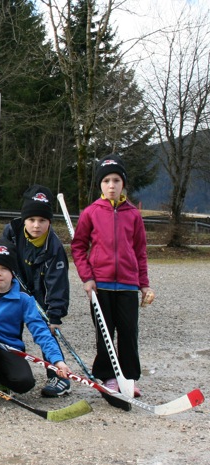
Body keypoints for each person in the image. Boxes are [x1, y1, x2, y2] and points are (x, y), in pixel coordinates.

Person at [71, 155, 154, 398]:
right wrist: (87, 277)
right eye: (106, 181)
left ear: (123, 183)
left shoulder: (133, 214)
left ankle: (128, 378)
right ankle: (109, 377)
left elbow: (140, 251)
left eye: (116, 180)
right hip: (101, 285)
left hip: (127, 285)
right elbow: (78, 247)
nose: (111, 185)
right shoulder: (91, 212)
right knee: (105, 333)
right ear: (100, 184)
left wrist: (144, 284)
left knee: (128, 332)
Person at [0, 240, 71, 408]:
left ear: (13, 273)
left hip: (9, 348)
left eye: (4, 269)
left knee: (24, 383)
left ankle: (3, 379)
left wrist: (57, 361)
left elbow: (41, 331)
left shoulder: (24, 300)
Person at [2, 185, 71, 398]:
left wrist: (55, 315)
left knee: (46, 332)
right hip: (14, 291)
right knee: (5, 328)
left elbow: (58, 285)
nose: (36, 225)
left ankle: (59, 376)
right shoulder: (12, 232)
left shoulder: (54, 247)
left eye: (42, 220)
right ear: (24, 219)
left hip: (39, 294)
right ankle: (3, 371)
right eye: (31, 220)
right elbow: (0, 261)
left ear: (49, 222)